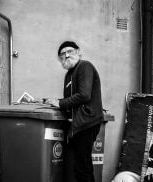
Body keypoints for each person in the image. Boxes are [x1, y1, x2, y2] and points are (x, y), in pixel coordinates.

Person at [45, 41, 103, 182]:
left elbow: (84, 95)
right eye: (62, 54)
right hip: (78, 124)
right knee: (81, 165)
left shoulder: (84, 66)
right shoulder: (69, 74)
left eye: (69, 51)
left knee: (81, 167)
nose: (66, 55)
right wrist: (55, 101)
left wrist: (60, 103)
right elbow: (72, 99)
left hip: (87, 122)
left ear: (78, 52)